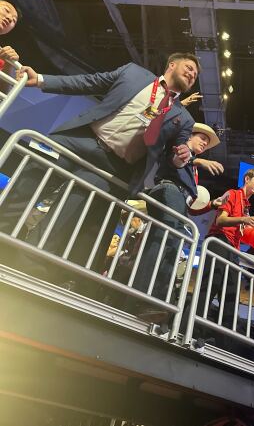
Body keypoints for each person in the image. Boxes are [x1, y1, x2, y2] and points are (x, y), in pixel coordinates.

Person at [0, 52, 199, 288]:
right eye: (189, 67)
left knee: (69, 213)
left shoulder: (183, 118)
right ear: (171, 64)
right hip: (79, 140)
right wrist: (42, 80)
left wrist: (180, 158)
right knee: (29, 182)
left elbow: (174, 156)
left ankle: (26, 265)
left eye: (195, 75)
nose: (192, 74)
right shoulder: (133, 73)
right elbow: (89, 82)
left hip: (110, 167)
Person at [130, 122, 227, 321]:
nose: (204, 144)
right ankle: (143, 297)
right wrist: (198, 161)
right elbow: (177, 159)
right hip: (170, 192)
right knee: (163, 243)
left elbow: (192, 205)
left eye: (207, 143)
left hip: (179, 200)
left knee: (170, 248)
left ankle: (155, 299)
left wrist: (212, 205)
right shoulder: (181, 148)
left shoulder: (193, 169)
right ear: (190, 136)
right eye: (202, 138)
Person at [196, 168, 254, 334]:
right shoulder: (233, 194)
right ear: (247, 179)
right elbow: (220, 220)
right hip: (219, 242)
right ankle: (192, 330)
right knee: (208, 288)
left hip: (233, 250)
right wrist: (243, 219)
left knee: (231, 297)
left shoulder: (247, 206)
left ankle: (223, 340)